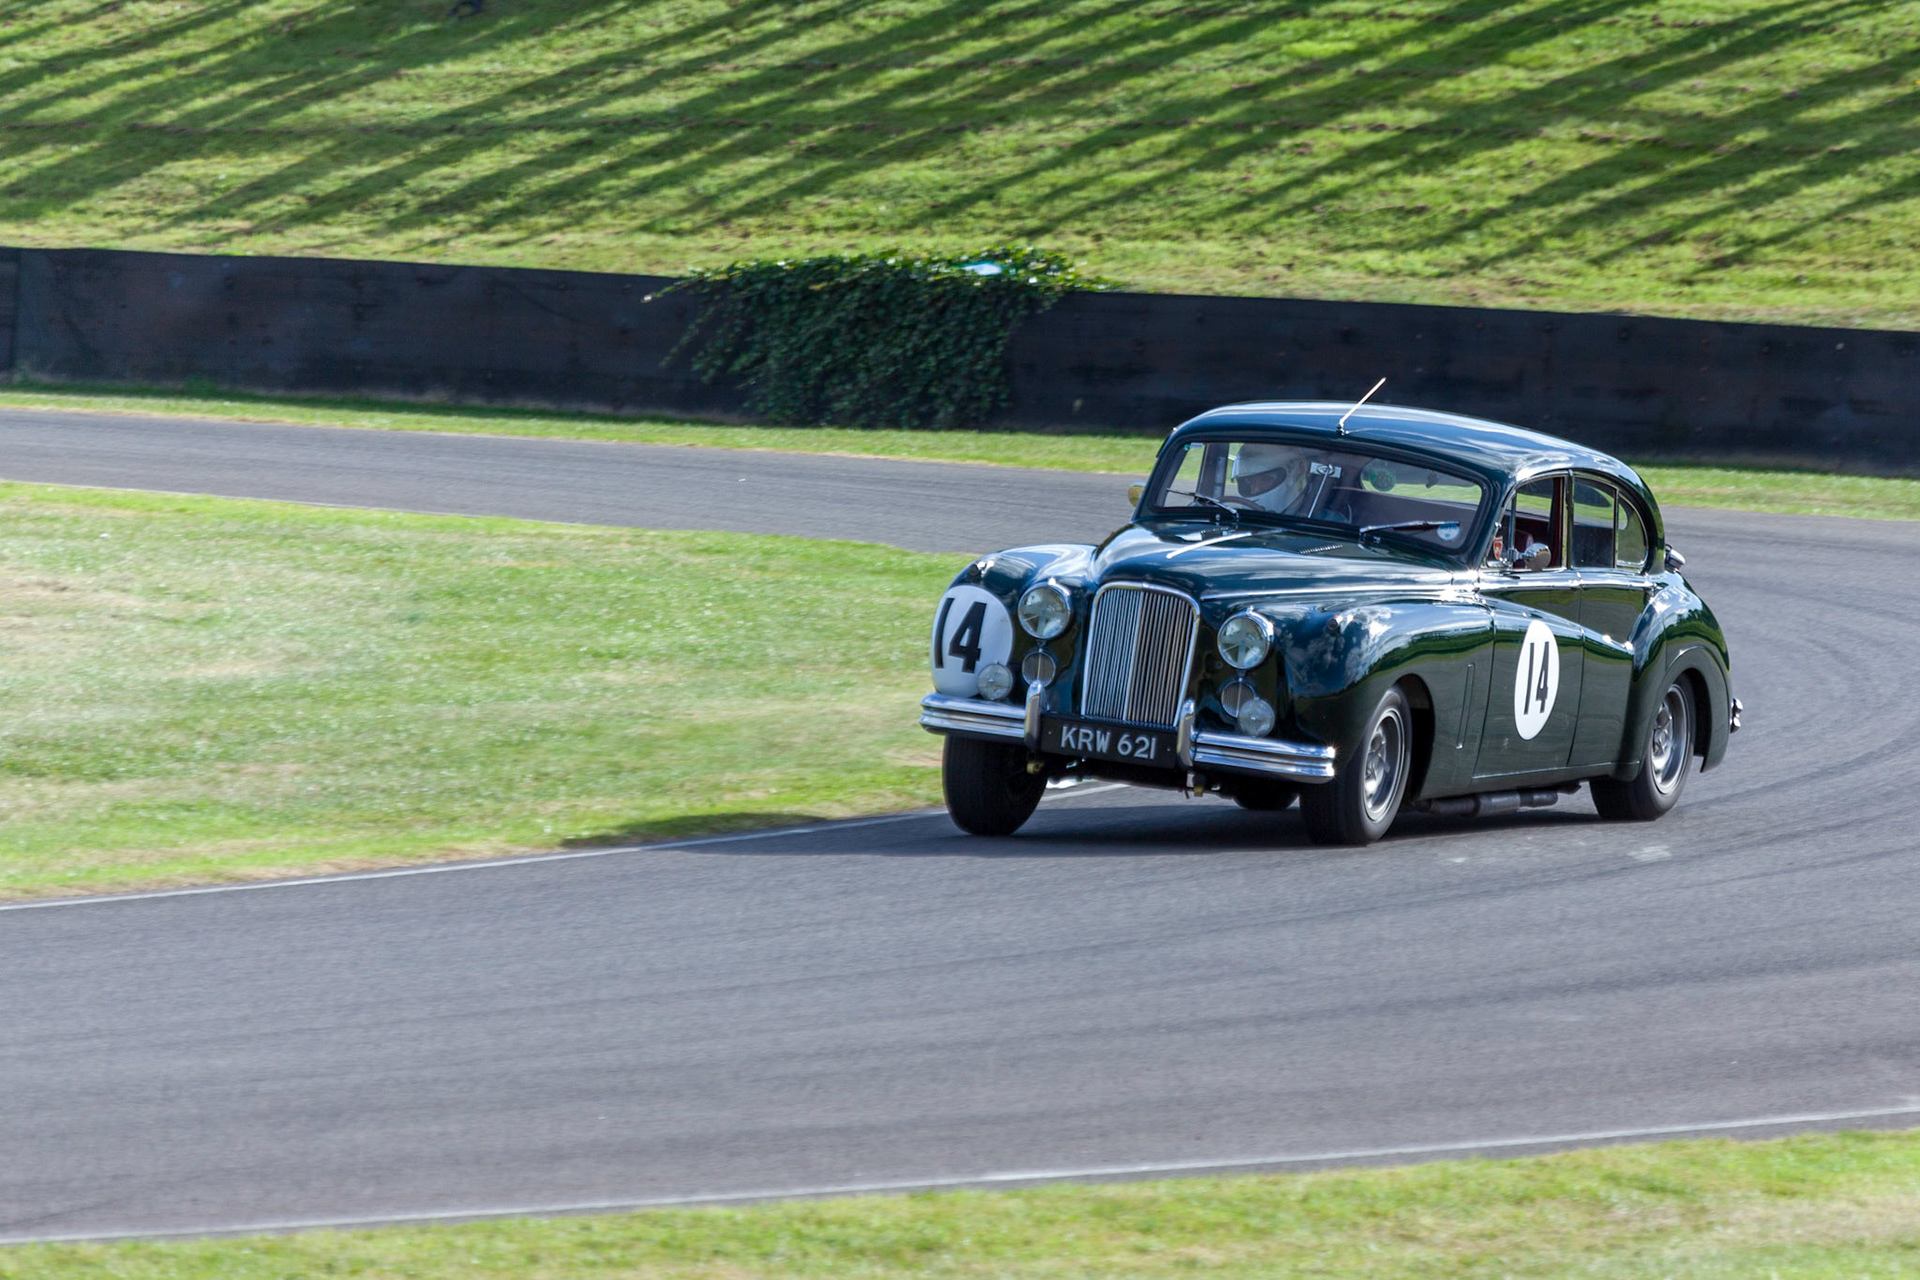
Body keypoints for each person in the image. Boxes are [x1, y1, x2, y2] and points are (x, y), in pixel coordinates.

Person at [1232, 443, 1311, 514]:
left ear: (1301, 468)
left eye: (1265, 480)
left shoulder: (1314, 514)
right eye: (1249, 482)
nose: (1254, 490)